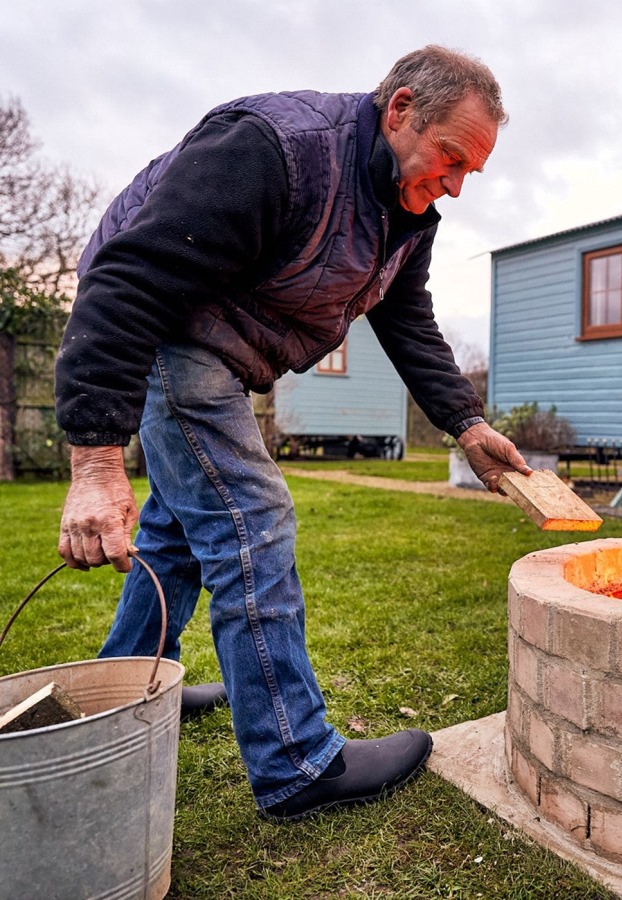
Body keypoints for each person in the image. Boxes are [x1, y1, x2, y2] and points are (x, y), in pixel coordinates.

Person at [54, 45, 531, 820]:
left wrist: (465, 422)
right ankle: (297, 764)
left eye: (469, 172)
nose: (454, 184)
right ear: (400, 108)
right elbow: (127, 281)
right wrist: (96, 462)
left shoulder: (408, 215)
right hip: (170, 331)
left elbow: (406, 321)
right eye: (450, 158)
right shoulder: (274, 149)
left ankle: (125, 692)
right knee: (253, 518)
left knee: (180, 531)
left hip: (222, 350)